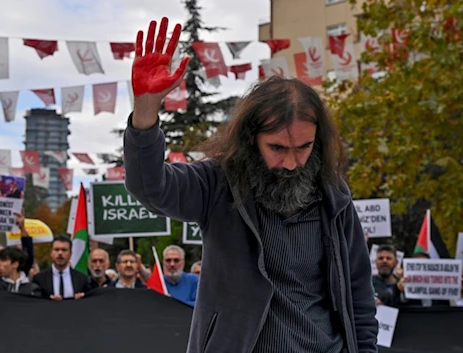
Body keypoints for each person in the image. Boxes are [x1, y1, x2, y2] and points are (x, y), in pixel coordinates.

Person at [123, 17, 377, 353]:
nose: (291, 163)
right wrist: (145, 114)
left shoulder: (335, 197)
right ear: (250, 140)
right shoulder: (216, 182)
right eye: (277, 148)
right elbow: (151, 188)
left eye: (304, 148)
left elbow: (358, 293)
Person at [32, 235, 91, 300]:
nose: (60, 253)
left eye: (64, 250)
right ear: (51, 253)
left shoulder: (82, 279)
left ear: (70, 254)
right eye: (57, 250)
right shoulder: (39, 279)